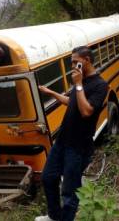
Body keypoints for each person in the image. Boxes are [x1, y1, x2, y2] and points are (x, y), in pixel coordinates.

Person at [35, 46, 108, 221]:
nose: (73, 66)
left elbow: (86, 111)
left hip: (78, 147)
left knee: (69, 191)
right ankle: (54, 216)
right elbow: (72, 102)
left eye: (76, 62)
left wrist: (79, 85)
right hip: (62, 142)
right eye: (72, 62)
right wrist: (50, 92)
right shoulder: (79, 83)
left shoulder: (100, 85)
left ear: (87, 60)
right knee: (48, 178)